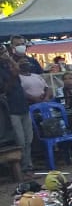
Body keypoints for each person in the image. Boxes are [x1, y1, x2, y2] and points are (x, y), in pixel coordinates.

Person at [0, 47, 32, 176]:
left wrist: (11, 62)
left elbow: (17, 72)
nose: (4, 55)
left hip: (23, 106)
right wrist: (13, 75)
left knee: (28, 139)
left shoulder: (8, 66)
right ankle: (24, 168)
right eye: (2, 53)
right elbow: (4, 90)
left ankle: (28, 166)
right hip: (11, 109)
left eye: (4, 52)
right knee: (20, 140)